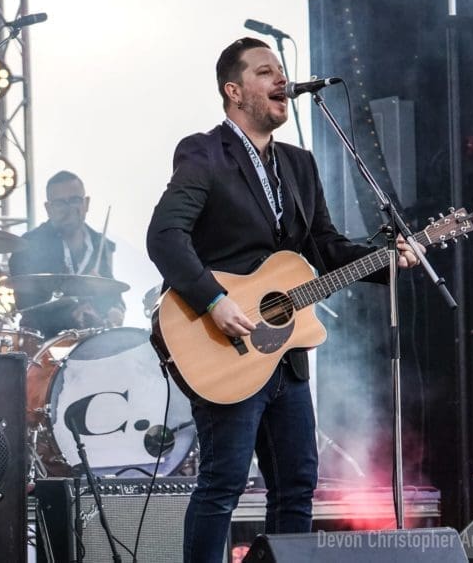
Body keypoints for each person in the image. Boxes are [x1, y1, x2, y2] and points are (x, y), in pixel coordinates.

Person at [146, 37, 420, 562]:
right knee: (223, 482)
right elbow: (165, 236)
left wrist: (385, 259)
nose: (281, 81)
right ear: (234, 91)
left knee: (297, 486)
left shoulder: (298, 164)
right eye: (266, 71)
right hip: (223, 343)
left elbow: (325, 246)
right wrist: (214, 301)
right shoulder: (205, 153)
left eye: (282, 71)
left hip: (286, 356)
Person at [8, 170, 125, 339]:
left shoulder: (101, 244)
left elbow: (113, 296)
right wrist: (71, 311)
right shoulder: (28, 245)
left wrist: (116, 311)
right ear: (48, 208)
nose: (69, 209)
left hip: (92, 341)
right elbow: (27, 306)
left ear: (86, 203)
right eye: (60, 203)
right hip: (45, 343)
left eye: (75, 200)